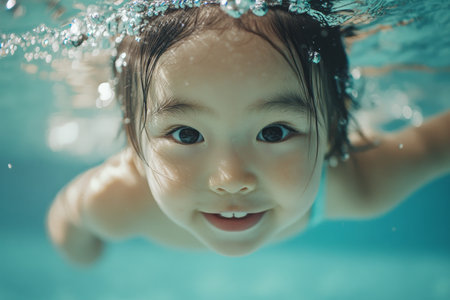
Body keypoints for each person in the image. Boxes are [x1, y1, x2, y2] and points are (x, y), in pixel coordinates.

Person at [46, 0, 450, 265]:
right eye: (186, 134)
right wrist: (81, 253)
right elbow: (66, 217)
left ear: (331, 131)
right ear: (135, 144)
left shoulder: (357, 184)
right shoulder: (115, 200)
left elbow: (437, 144)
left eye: (274, 132)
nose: (231, 180)